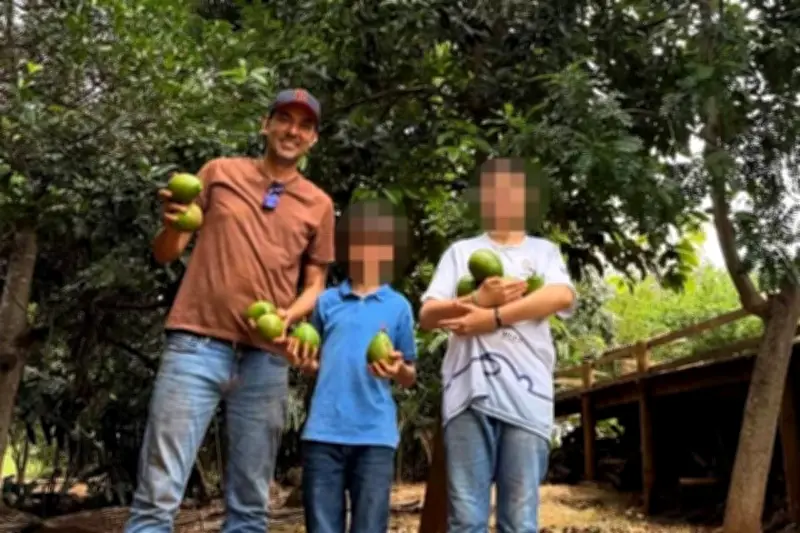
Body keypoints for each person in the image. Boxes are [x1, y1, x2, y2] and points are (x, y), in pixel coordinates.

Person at [124, 88, 335, 533]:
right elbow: (167, 252)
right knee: (157, 497)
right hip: (194, 346)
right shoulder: (219, 172)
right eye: (284, 119)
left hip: (266, 359)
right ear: (266, 124)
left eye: (304, 125)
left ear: (313, 138)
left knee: (250, 506)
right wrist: (172, 223)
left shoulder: (318, 204)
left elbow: (315, 283)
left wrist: (289, 316)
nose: (292, 131)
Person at [418, 157, 578, 533]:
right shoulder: (461, 253)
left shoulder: (544, 252)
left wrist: (493, 318)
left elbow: (561, 295)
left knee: (520, 521)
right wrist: (477, 299)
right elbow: (427, 316)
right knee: (466, 519)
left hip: (528, 397)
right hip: (467, 395)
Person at [288, 199, 417, 533]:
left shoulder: (399, 306)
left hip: (375, 435)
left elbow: (409, 375)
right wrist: (305, 363)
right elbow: (316, 363)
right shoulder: (326, 302)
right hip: (323, 432)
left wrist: (398, 370)